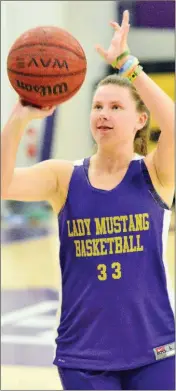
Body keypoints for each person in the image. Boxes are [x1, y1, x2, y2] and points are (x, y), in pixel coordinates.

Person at [1, 10, 175, 391]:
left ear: (141, 119)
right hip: (84, 354)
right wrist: (17, 120)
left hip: (154, 349)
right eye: (97, 106)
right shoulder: (63, 177)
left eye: (116, 107)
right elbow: (4, 184)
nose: (103, 114)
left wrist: (129, 65)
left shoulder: (156, 174)